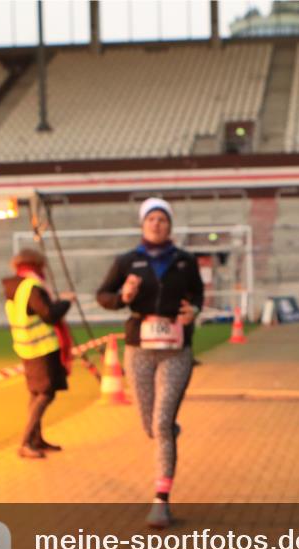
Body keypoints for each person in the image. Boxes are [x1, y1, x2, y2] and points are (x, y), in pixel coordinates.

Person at [96, 197, 203, 529]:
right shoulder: (127, 261)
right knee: (150, 426)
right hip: (139, 348)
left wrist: (194, 311)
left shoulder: (185, 261)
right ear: (143, 225)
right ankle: (167, 429)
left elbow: (198, 294)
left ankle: (161, 500)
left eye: (163, 219)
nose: (157, 224)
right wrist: (123, 298)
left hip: (176, 349)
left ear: (170, 225)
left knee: (161, 424)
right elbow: (103, 295)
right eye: (151, 219)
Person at [2, 248, 73, 459]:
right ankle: (26, 442)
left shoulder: (15, 286)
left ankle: (36, 439)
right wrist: (66, 302)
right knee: (45, 393)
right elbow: (49, 314)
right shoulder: (31, 286)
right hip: (42, 348)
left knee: (36, 393)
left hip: (27, 347)